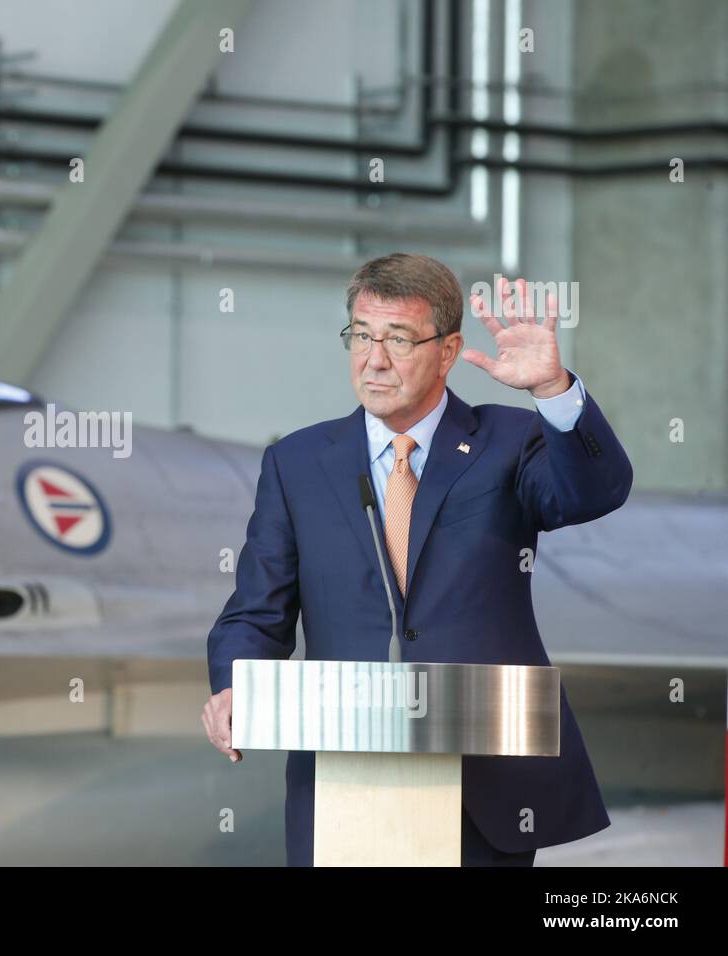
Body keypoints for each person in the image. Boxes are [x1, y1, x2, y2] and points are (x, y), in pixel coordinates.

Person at [201, 253, 633, 866]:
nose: (373, 359)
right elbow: (255, 610)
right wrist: (234, 684)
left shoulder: (509, 442)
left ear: (448, 349)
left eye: (398, 339)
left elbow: (595, 493)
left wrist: (553, 392)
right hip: (344, 780)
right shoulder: (297, 462)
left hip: (485, 781)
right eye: (361, 335)